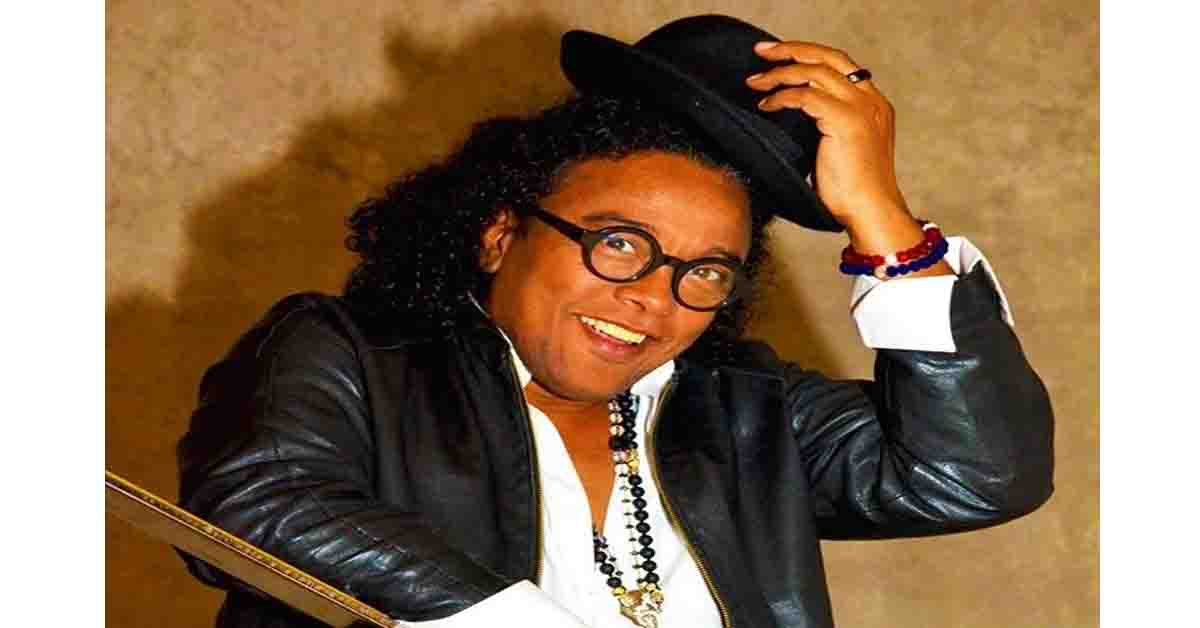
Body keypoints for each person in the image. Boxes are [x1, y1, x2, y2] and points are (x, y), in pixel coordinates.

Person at [176, 15, 1053, 628]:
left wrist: (884, 223)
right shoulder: (350, 357)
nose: (653, 297)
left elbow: (975, 473)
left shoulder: (745, 411)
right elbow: (260, 499)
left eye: (704, 271)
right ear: (500, 232)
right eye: (620, 243)